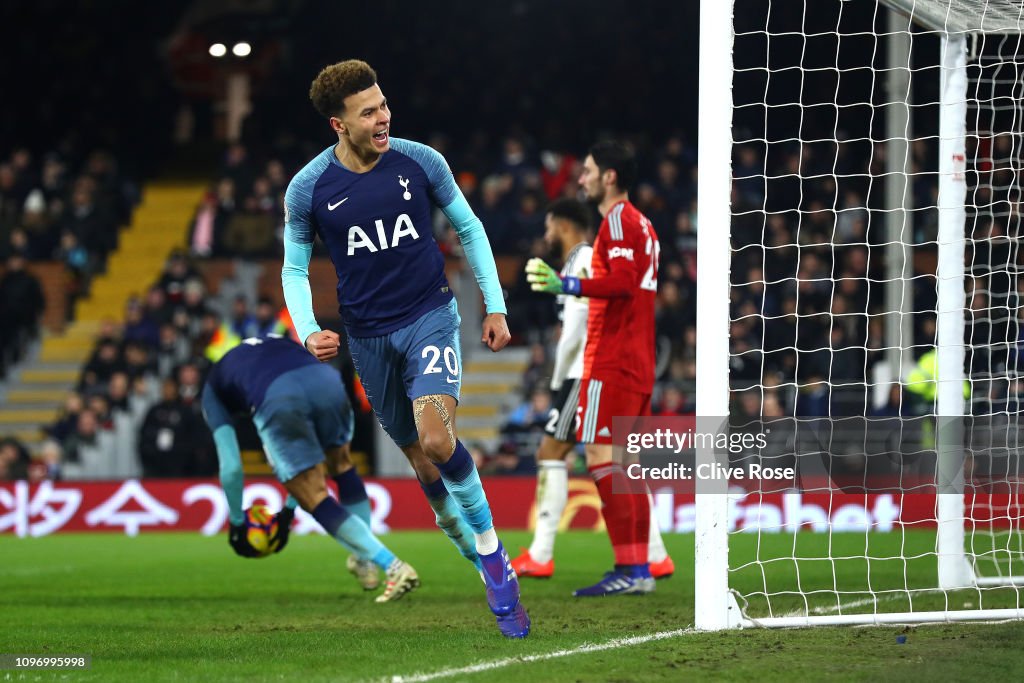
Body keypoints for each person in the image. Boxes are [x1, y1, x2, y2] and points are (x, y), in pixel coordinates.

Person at [281, 59, 528, 638]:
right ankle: (479, 559)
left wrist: (495, 305)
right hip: (367, 338)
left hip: (429, 317)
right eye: (368, 112)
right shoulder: (308, 188)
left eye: (383, 104)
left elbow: (468, 227)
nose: (383, 117)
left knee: (439, 440)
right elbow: (294, 267)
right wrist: (306, 326)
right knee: (420, 460)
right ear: (338, 125)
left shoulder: (420, 162)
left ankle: (494, 559)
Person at [512, 198, 674, 582]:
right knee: (624, 463)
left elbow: (590, 320)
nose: (546, 234)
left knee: (551, 451)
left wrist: (561, 377)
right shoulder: (576, 262)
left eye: (549, 225)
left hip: (583, 374)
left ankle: (541, 554)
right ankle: (656, 555)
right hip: (590, 371)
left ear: (565, 224)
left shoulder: (583, 259)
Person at [201, 334, 419, 602]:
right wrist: (289, 511)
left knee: (313, 496)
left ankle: (393, 567)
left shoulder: (213, 386)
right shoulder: (278, 342)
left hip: (278, 396)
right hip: (326, 381)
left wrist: (236, 523)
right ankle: (365, 560)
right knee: (341, 465)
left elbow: (232, 467)